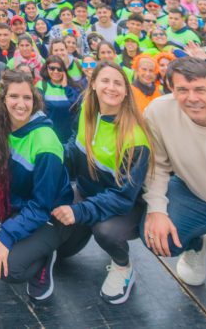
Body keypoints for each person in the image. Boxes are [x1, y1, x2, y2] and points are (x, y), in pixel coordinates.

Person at [141, 57, 206, 305]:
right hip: (196, 196)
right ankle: (196, 246)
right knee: (156, 237)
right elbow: (156, 164)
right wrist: (157, 209)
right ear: (171, 89)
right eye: (182, 90)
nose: (192, 97)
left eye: (200, 89)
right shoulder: (158, 112)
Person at [52, 61, 152, 305]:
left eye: (118, 83)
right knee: (62, 247)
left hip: (126, 206)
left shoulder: (135, 137)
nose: (111, 87)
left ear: (126, 91)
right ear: (93, 83)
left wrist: (80, 211)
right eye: (105, 81)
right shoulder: (87, 109)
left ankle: (122, 266)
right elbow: (75, 148)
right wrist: (50, 156)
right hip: (88, 193)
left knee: (105, 231)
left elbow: (123, 197)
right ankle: (78, 229)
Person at [0, 70, 74, 301]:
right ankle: (27, 240)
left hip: (50, 217)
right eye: (14, 96)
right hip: (21, 207)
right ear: (3, 99)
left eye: (27, 98)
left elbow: (42, 205)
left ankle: (44, 257)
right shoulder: (0, 127)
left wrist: (6, 235)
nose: (21, 104)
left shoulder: (45, 141)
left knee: (8, 269)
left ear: (35, 101)